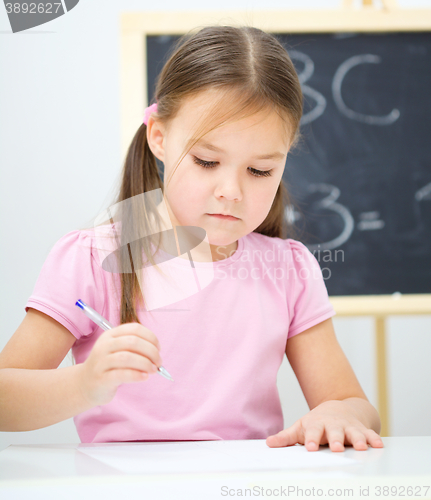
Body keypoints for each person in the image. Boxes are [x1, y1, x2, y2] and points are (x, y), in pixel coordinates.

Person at [0, 25, 383, 453]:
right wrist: (84, 384)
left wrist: (341, 413)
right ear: (159, 138)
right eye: (206, 161)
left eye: (260, 171)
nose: (232, 191)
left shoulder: (289, 269)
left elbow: (355, 405)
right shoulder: (92, 259)